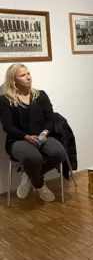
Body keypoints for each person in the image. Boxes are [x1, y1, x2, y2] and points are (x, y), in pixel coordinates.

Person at [0, 64, 66, 203]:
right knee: (33, 157)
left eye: (28, 73)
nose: (28, 77)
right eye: (22, 75)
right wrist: (25, 137)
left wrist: (44, 133)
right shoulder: (5, 100)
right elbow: (8, 126)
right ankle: (39, 184)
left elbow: (50, 118)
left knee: (59, 153)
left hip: (42, 136)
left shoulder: (40, 95)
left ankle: (30, 177)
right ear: (14, 80)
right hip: (18, 139)